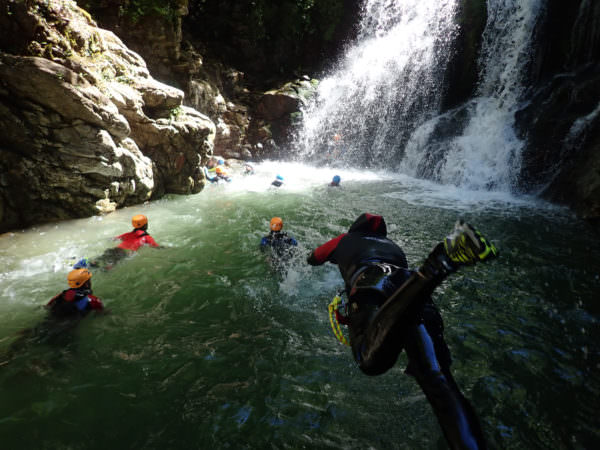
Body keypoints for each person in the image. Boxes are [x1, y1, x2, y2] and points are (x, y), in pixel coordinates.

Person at [306, 213, 497, 450]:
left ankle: (437, 264)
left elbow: (313, 258)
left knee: (369, 361)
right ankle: (438, 264)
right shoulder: (393, 247)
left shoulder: (345, 239)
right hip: (411, 289)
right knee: (437, 380)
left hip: (374, 283)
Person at [85, 214, 160, 269]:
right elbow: (156, 247)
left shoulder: (127, 234)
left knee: (100, 258)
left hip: (115, 249)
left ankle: (90, 263)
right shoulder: (146, 237)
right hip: (124, 253)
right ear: (146, 225)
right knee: (109, 267)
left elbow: (114, 239)